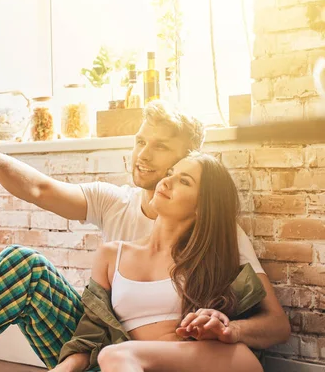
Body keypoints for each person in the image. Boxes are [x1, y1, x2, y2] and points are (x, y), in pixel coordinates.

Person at [0, 101, 290, 372]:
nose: (143, 155)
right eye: (140, 141)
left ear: (189, 160)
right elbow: (39, 189)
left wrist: (230, 330)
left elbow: (273, 324)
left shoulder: (215, 234)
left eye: (160, 147)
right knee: (20, 265)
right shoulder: (115, 203)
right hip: (103, 349)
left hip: (169, 358)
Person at [55, 152, 274, 372]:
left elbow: (276, 326)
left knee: (115, 354)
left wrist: (225, 326)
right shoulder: (111, 255)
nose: (166, 181)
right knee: (113, 355)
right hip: (130, 364)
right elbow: (92, 331)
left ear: (202, 206)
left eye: (184, 181)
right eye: (171, 173)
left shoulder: (212, 260)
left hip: (214, 361)